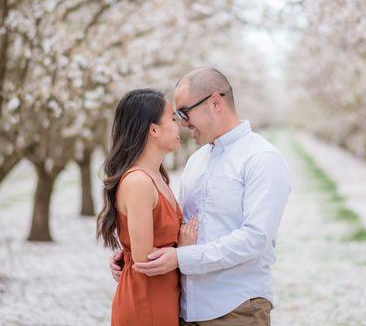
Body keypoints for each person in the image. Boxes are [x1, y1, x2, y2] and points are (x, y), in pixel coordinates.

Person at [109, 68, 291, 326]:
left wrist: (180, 258)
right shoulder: (196, 161)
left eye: (184, 112)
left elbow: (255, 239)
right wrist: (132, 255)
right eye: (176, 116)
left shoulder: (261, 159)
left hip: (235, 309)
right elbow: (176, 228)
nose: (182, 123)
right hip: (183, 310)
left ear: (215, 102)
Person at [97, 88, 199, 326]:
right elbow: (145, 258)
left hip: (163, 294)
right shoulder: (139, 182)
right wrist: (182, 249)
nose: (179, 126)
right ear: (153, 129)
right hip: (146, 301)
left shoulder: (157, 177)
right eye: (172, 119)